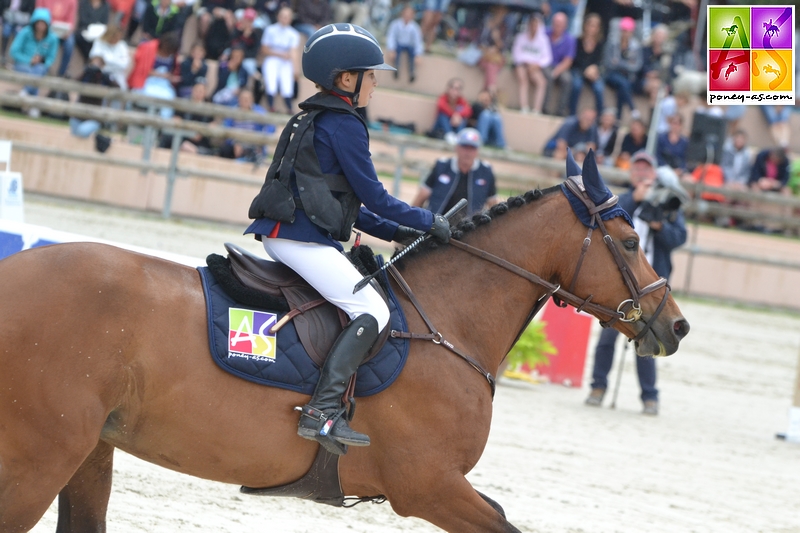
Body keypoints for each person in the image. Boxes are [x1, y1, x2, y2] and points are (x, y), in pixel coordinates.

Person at [246, 23, 450, 455]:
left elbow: (352, 205)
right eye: (370, 75)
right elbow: (375, 195)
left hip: (289, 234)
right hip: (302, 240)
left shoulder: (312, 115)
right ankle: (321, 411)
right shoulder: (345, 125)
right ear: (346, 79)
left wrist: (404, 231)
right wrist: (430, 220)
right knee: (372, 309)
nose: (375, 83)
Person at [585, 150, 687, 416]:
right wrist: (635, 199)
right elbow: (607, 222)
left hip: (652, 282)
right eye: (637, 170)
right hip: (623, 283)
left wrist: (660, 226)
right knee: (608, 336)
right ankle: (598, 387)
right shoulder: (623, 200)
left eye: (646, 170)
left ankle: (649, 396)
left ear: (654, 174)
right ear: (632, 174)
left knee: (650, 338)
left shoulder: (666, 200)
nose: (642, 174)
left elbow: (679, 237)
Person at [411, 127, 499, 216]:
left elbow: (493, 203)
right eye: (464, 147)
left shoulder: (485, 171)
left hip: (470, 227)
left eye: (472, 148)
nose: (467, 152)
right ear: (457, 147)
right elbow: (422, 195)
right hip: (436, 224)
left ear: (477, 150)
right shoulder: (442, 166)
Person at [9, 6, 59, 108]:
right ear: (34, 22)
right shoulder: (25, 32)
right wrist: (29, 60)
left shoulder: (53, 38)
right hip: (22, 65)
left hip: (41, 67)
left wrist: (41, 61)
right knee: (34, 73)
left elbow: (51, 58)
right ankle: (34, 105)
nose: (40, 26)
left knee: (39, 69)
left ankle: (25, 93)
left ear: (47, 24)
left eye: (43, 23)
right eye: (38, 22)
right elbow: (14, 51)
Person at [260, 5, 299, 113]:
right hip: (272, 58)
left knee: (287, 84)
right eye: (282, 16)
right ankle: (271, 106)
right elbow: (264, 49)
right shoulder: (270, 29)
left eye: (287, 16)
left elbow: (293, 52)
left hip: (286, 61)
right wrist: (281, 54)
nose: (284, 19)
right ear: (278, 16)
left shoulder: (293, 34)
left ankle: (289, 108)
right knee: (271, 82)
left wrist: (296, 69)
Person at [603, 16, 642, 120]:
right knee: (623, 83)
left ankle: (618, 117)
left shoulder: (636, 46)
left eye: (628, 31)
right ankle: (632, 108)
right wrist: (627, 64)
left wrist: (619, 63)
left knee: (623, 87)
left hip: (627, 77)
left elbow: (637, 66)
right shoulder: (612, 43)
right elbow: (608, 63)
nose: (626, 34)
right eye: (624, 31)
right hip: (611, 75)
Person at [512, 13, 551, 114]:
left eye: (535, 25)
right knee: (523, 80)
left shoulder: (543, 40)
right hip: (521, 64)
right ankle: (523, 106)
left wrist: (537, 65)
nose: (533, 27)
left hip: (535, 66)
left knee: (542, 82)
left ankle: (536, 109)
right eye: (531, 24)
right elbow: (516, 54)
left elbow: (547, 57)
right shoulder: (521, 37)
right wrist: (526, 62)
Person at [569, 12, 604, 115]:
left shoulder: (600, 44)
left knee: (599, 88)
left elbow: (601, 61)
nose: (592, 28)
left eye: (595, 25)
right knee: (576, 85)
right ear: (585, 25)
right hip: (578, 70)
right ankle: (572, 113)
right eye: (590, 24)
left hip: (593, 73)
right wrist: (586, 70)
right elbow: (574, 60)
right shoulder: (578, 41)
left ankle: (600, 116)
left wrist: (595, 69)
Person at [543, 11, 575, 117]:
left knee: (568, 79)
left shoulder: (569, 39)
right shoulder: (545, 33)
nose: (557, 27)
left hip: (560, 67)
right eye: (555, 24)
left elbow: (568, 61)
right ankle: (545, 108)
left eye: (560, 25)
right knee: (548, 77)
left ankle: (560, 111)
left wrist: (556, 72)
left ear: (565, 26)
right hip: (545, 64)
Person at [36, 0, 76, 77]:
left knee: (70, 43)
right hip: (46, 27)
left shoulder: (72, 1)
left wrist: (67, 31)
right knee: (44, 40)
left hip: (62, 31)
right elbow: (38, 14)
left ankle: (61, 73)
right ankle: (41, 68)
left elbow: (71, 21)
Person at [385, 4, 423, 83]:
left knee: (412, 54)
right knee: (397, 51)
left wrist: (418, 54)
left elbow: (418, 41)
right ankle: (396, 69)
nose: (407, 16)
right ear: (402, 13)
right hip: (399, 45)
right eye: (406, 13)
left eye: (410, 14)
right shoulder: (395, 24)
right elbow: (391, 36)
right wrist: (391, 49)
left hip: (409, 46)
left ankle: (412, 72)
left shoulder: (415, 27)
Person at [87, 23, 129, 89]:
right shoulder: (99, 42)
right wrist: (115, 60)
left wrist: (107, 59)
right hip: (100, 74)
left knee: (121, 89)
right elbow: (94, 57)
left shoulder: (122, 45)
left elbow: (124, 64)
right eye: (115, 37)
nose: (117, 39)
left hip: (116, 75)